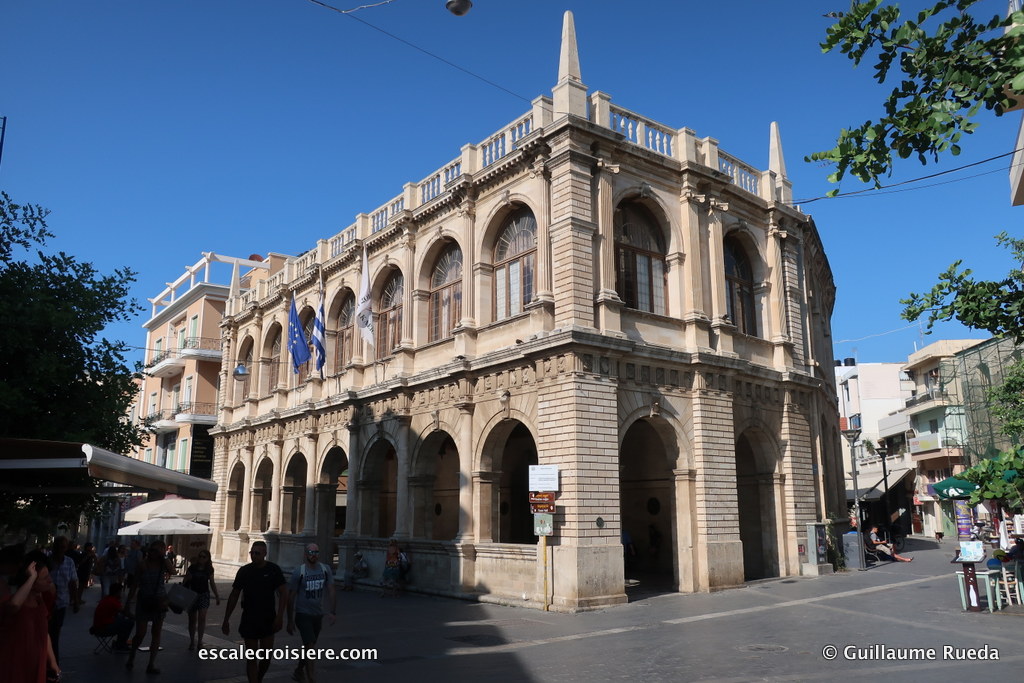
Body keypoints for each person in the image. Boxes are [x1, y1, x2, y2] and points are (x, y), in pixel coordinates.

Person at [222, 541, 287, 683]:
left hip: (268, 618)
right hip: (249, 618)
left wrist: (280, 616)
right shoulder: (244, 571)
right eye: (252, 553)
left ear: (264, 554)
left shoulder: (273, 570)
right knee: (251, 657)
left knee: (266, 656)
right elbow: (234, 595)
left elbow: (283, 593)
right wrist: (226, 619)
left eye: (257, 553)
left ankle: (258, 677)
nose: (254, 556)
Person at [1, 550, 59, 683]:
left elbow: (44, 633)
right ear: (31, 584)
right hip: (14, 664)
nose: (50, 580)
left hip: (34, 663)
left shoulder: (39, 602)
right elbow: (14, 605)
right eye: (44, 578)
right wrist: (32, 577)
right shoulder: (11, 601)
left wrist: (53, 662)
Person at [286, 543, 336, 683]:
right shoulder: (299, 571)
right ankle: (311, 678)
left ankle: (298, 670)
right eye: (310, 552)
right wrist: (290, 620)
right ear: (305, 554)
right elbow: (291, 597)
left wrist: (333, 611)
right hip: (303, 614)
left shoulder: (325, 569)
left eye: (316, 552)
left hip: (317, 615)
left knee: (310, 645)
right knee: (310, 647)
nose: (313, 555)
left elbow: (331, 590)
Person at [125, 540, 173, 674]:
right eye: (152, 550)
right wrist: (128, 603)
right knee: (140, 633)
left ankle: (151, 663)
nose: (154, 553)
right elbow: (134, 585)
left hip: (160, 601)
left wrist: (164, 557)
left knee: (156, 633)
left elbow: (173, 571)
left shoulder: (163, 563)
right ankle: (132, 654)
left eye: (157, 551)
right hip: (144, 601)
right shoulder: (142, 565)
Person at [48, 536, 78, 666]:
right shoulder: (48, 561)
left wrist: (75, 600)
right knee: (47, 632)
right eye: (59, 546)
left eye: (63, 547)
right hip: (46, 603)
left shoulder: (69, 562)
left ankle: (53, 662)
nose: (61, 549)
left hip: (61, 602)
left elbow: (72, 583)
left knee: (55, 633)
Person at [183, 549, 221, 651]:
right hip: (192, 595)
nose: (201, 558)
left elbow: (212, 583)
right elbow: (185, 581)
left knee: (202, 618)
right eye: (200, 556)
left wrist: (217, 595)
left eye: (204, 557)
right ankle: (192, 641)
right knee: (192, 620)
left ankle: (199, 642)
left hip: (204, 595)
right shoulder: (192, 568)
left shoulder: (209, 569)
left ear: (208, 558)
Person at [91, 583, 133, 650]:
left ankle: (120, 643)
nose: (121, 593)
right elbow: (126, 613)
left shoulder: (108, 599)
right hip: (102, 629)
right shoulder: (113, 601)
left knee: (122, 619)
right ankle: (120, 645)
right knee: (129, 622)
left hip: (98, 627)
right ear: (117, 592)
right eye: (120, 592)